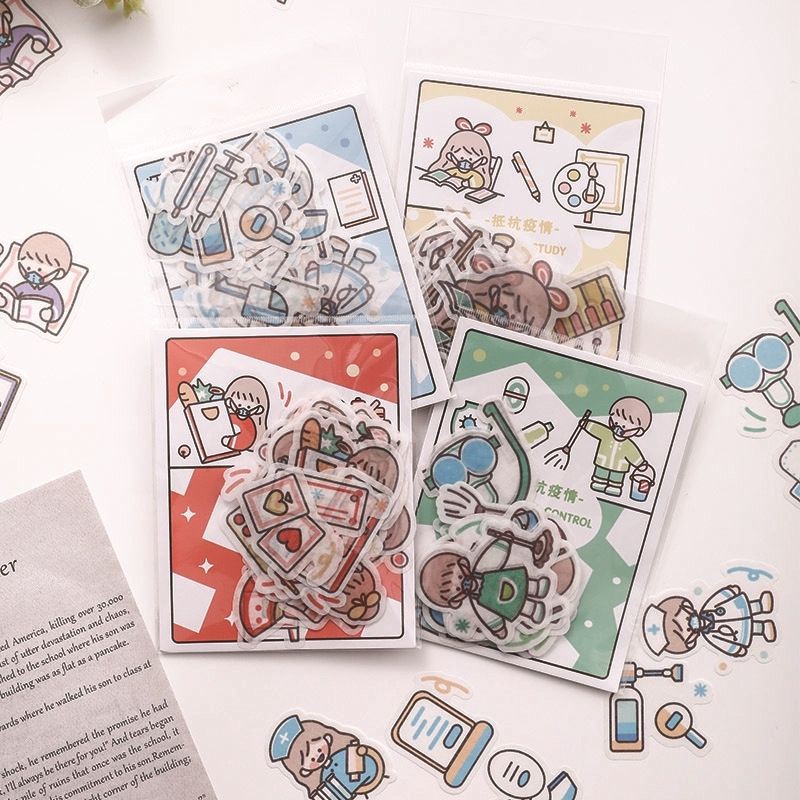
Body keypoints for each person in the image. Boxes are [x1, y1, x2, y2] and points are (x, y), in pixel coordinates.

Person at [419, 527, 554, 641]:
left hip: (507, 579)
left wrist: (503, 542)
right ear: (454, 602)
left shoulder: (482, 565)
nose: (462, 583)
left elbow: (495, 555)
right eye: (456, 589)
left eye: (459, 576)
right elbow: (486, 615)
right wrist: (497, 629)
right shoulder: (478, 605)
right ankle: (532, 611)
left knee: (525, 583)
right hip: (500, 604)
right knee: (523, 609)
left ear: (464, 562)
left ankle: (537, 586)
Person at [269, 715, 387, 799]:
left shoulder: (346, 753)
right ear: (304, 771)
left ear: (327, 738)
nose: (317, 755)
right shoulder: (324, 782)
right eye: (311, 758)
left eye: (318, 748)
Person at [643, 586, 776, 659]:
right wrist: (737, 648)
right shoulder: (713, 637)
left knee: (736, 607)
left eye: (683, 617)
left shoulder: (710, 605)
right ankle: (761, 628)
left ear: (686, 606)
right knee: (740, 631)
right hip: (720, 632)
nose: (689, 625)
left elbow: (722, 598)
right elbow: (726, 645)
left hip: (722, 610)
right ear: (689, 643)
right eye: (684, 632)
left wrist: (730, 592)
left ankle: (759, 605)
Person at [578, 396, 653, 497]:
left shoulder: (628, 445)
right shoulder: (607, 433)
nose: (619, 427)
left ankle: (614, 487)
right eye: (616, 422)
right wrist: (586, 424)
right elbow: (597, 429)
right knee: (600, 474)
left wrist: (640, 464)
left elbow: (634, 455)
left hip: (619, 467)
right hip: (602, 462)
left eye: (624, 426)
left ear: (638, 431)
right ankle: (599, 483)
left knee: (616, 479)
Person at [1, 231, 71, 324]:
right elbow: (13, 298)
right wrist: (5, 300)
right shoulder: (23, 287)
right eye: (28, 268)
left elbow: (58, 309)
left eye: (39, 270)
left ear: (58, 273)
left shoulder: (52, 292)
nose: (32, 274)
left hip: (37, 323)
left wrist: (51, 314)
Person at [427, 117, 493, 190]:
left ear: (482, 160)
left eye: (470, 159)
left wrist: (467, 184)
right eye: (461, 158)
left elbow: (478, 182)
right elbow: (446, 174)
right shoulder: (454, 170)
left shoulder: (474, 174)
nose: (465, 162)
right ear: (450, 156)